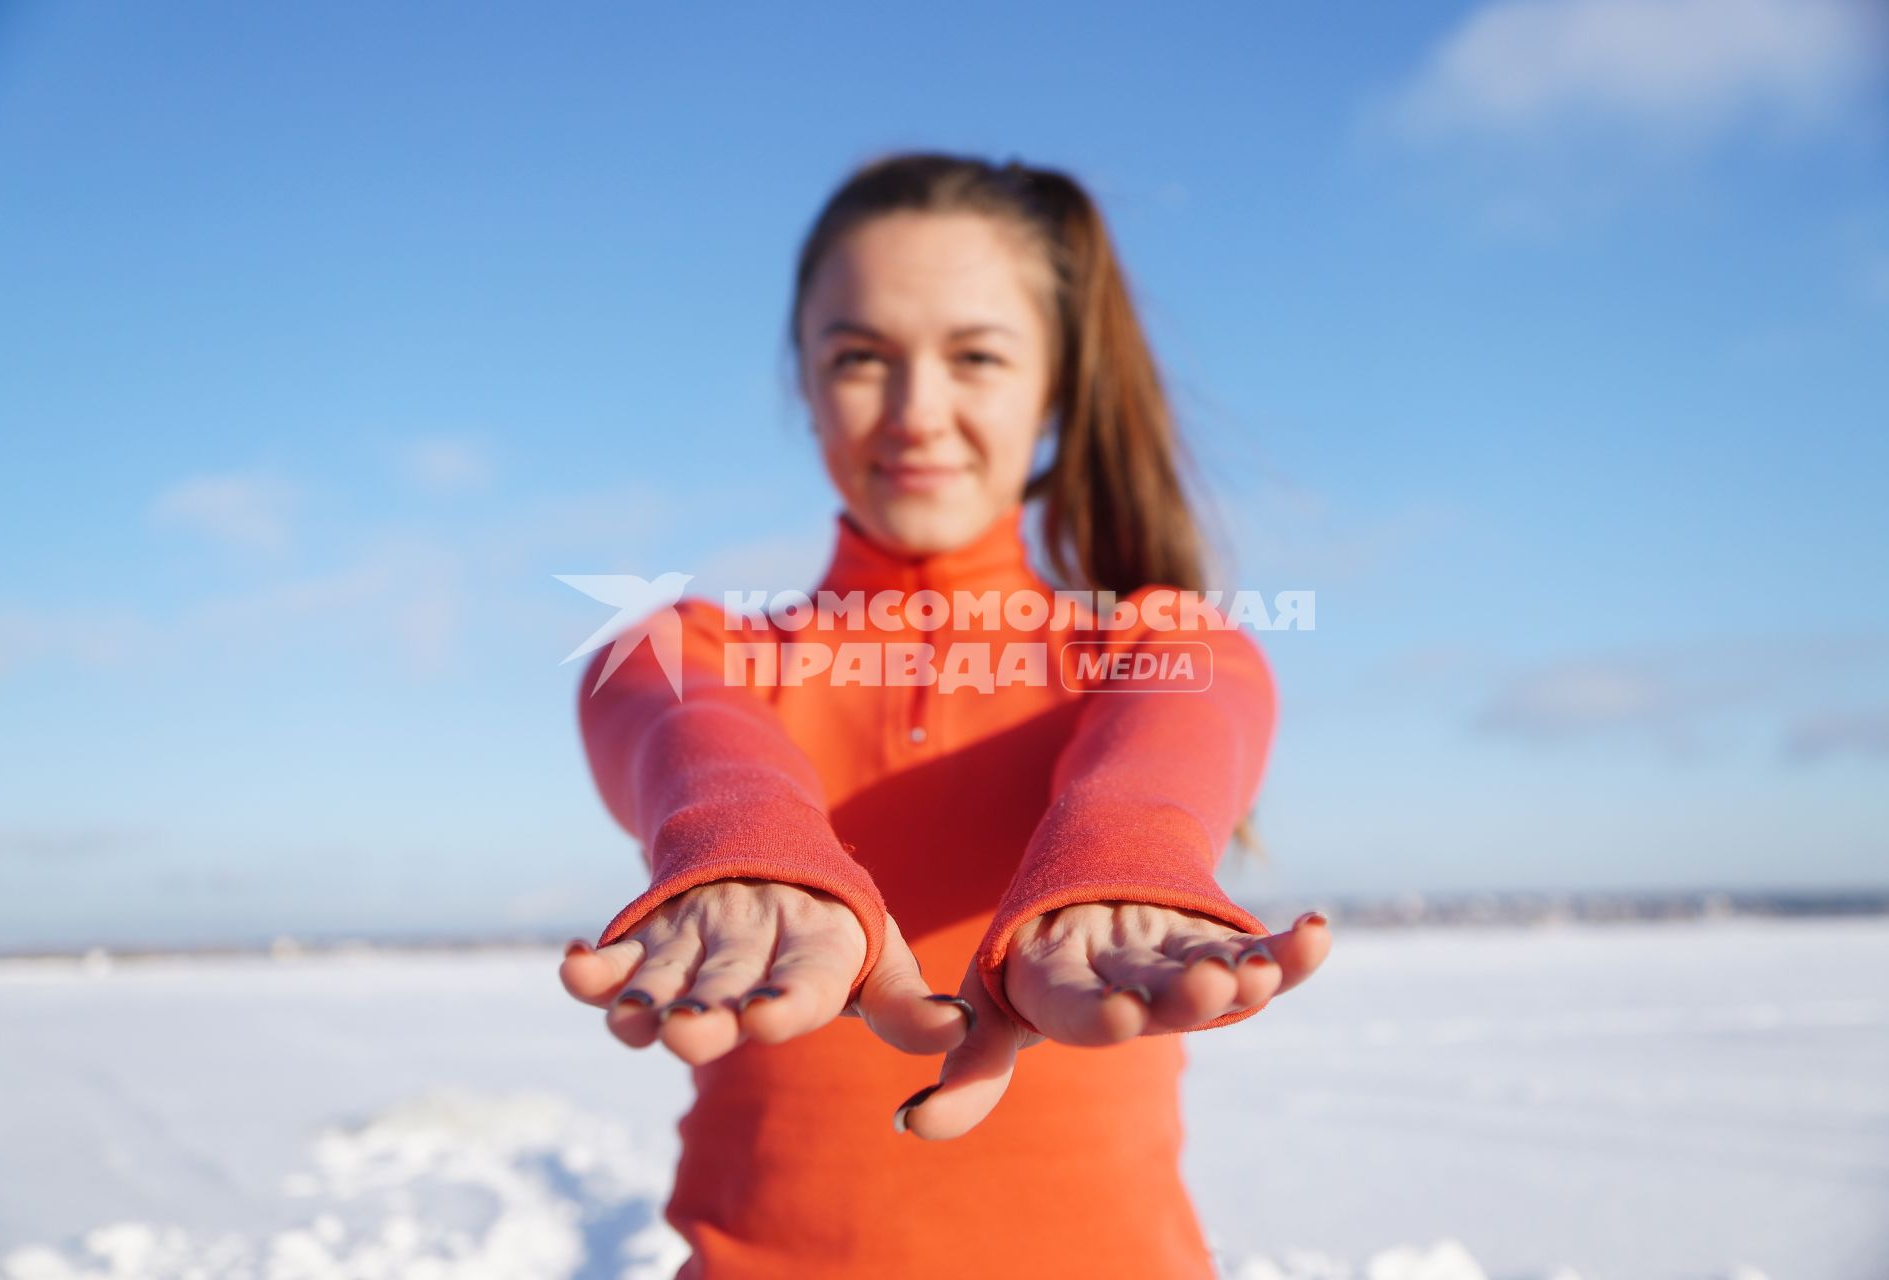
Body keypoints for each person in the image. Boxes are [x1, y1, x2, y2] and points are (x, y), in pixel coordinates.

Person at [558, 150, 1332, 1279]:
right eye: (860, 358)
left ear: (1054, 386)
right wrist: (751, 845)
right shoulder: (683, 646)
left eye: (974, 356)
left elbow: (1171, 734)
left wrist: (1119, 859)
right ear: (805, 384)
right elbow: (690, 733)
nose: (918, 413)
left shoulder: (1155, 643)